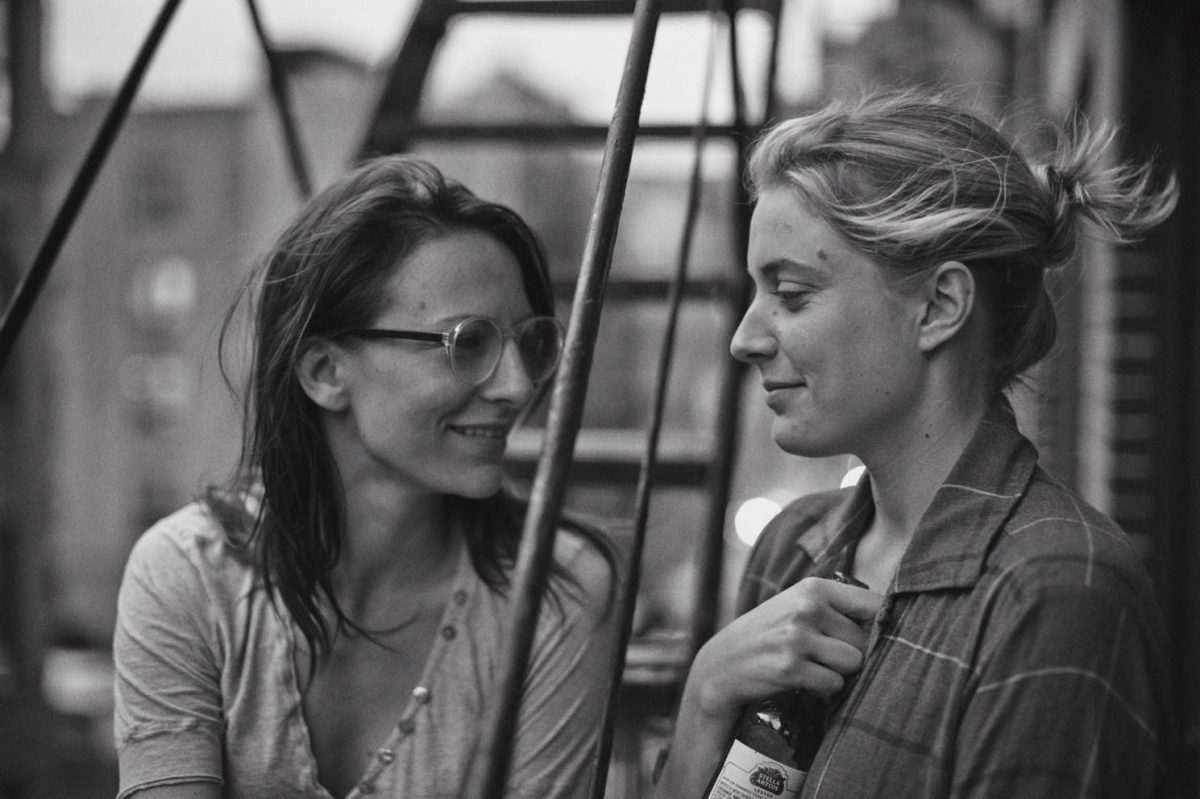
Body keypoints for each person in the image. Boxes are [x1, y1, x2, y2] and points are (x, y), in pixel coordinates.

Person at [655, 89, 1180, 798]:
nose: (744, 338)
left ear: (939, 306)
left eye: (793, 293)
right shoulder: (792, 547)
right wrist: (704, 698)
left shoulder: (1057, 594)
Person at [112, 156, 619, 799]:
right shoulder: (189, 577)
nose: (518, 387)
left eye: (530, 342)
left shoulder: (557, 588)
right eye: (468, 342)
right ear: (325, 372)